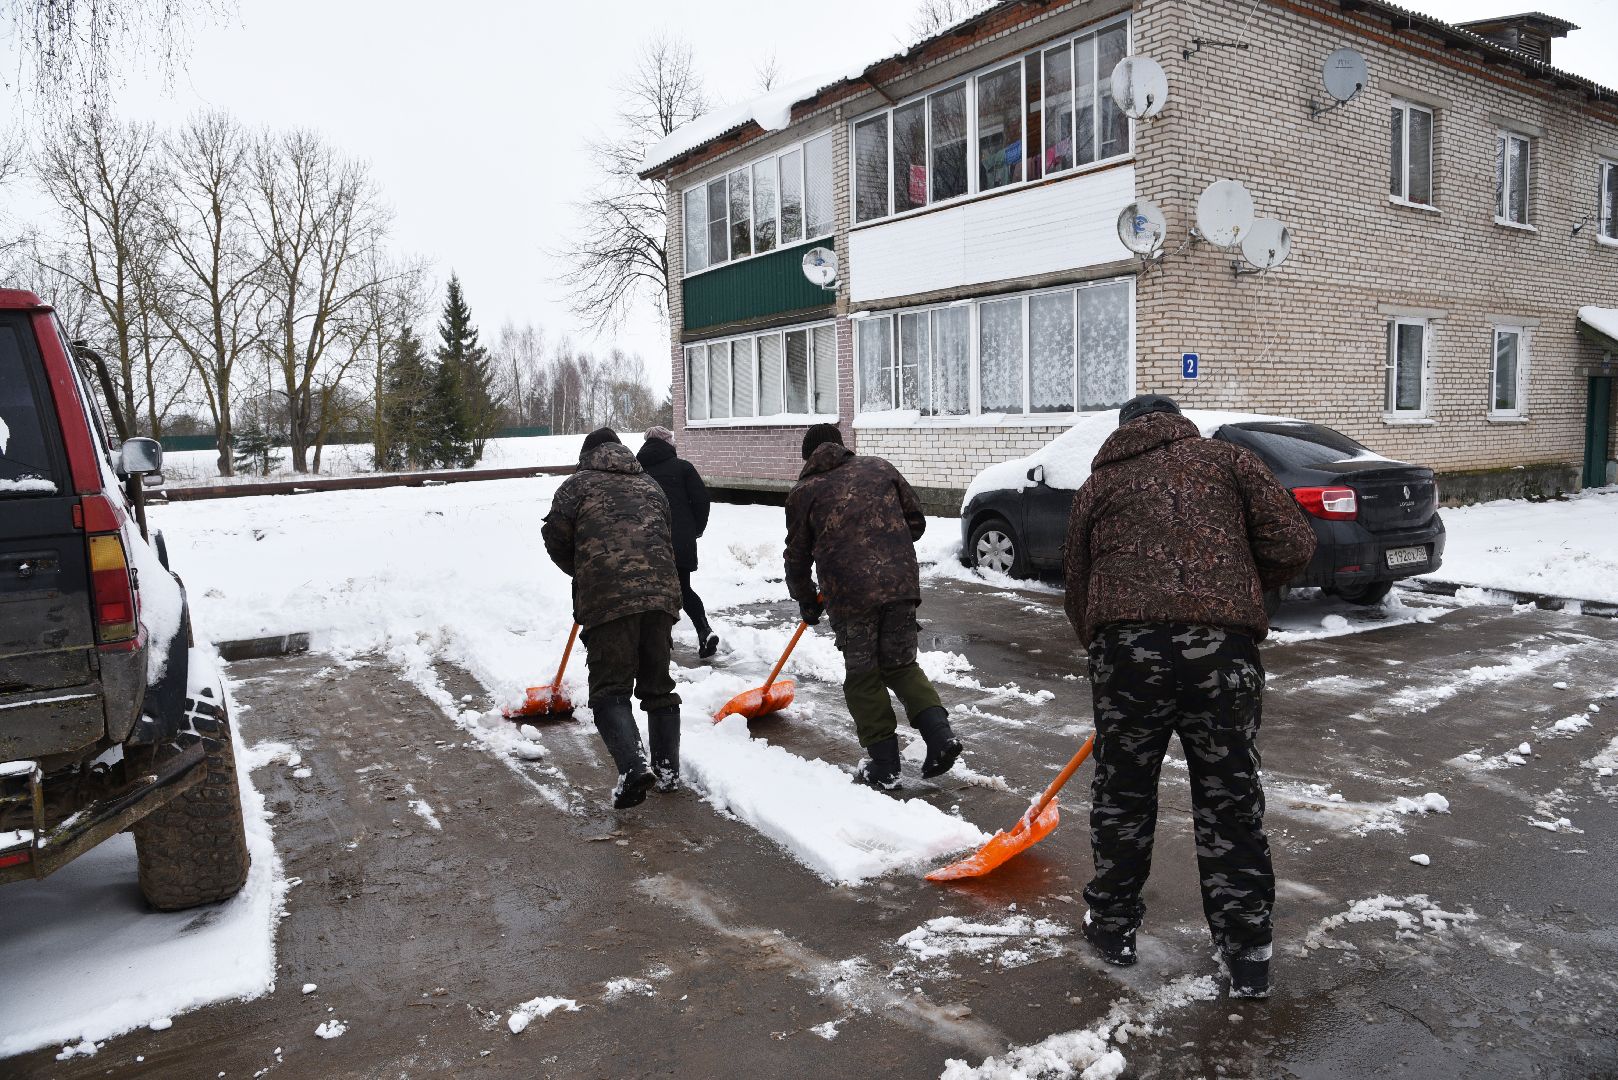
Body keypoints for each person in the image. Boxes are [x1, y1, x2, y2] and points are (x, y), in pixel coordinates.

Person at [1062, 394, 1316, 998]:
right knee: (1230, 796)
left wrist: (1099, 643)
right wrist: (1240, 591)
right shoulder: (1230, 462)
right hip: (1221, 654)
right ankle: (1247, 951)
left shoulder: (1100, 485)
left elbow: (1078, 582)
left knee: (1122, 794)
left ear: (1124, 432)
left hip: (1127, 656)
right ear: (1179, 423)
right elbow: (1294, 543)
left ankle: (1112, 927)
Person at [784, 424, 962, 789]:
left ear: (809, 457)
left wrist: (806, 599)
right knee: (901, 666)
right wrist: (883, 540)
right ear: (840, 446)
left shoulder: (804, 492)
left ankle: (885, 765)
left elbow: (797, 558)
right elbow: (915, 521)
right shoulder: (880, 468)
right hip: (900, 585)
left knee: (864, 677)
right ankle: (941, 738)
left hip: (851, 596)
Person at [542, 427, 685, 808]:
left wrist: (585, 569)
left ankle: (634, 768)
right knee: (659, 687)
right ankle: (668, 772)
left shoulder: (576, 486)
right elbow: (664, 535)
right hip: (661, 595)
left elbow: (555, 538)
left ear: (588, 454)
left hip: (609, 601)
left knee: (610, 691)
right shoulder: (651, 485)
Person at [636, 426, 719, 659]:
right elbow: (702, 500)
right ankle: (704, 631)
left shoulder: (636, 471)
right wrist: (695, 531)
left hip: (645, 543)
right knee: (683, 589)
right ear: (668, 443)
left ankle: (661, 642)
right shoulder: (683, 468)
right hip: (680, 541)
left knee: (651, 593)